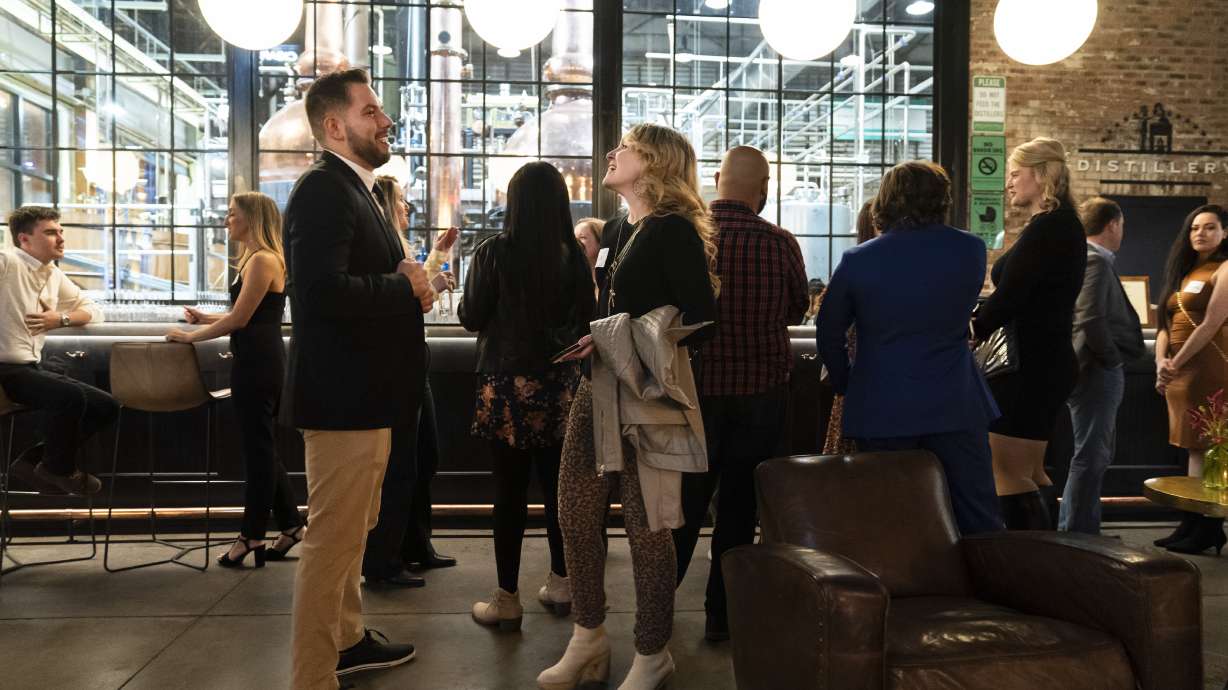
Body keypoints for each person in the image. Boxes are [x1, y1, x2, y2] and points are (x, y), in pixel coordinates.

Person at [540, 124, 718, 690]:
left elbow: (702, 318)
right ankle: (587, 636)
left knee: (648, 526)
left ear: (655, 162)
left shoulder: (673, 230)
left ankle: (652, 650)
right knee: (573, 511)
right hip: (597, 388)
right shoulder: (619, 227)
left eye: (626, 147)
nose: (612, 153)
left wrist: (616, 335)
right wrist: (600, 336)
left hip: (648, 396)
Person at [281, 68, 433, 689]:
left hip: (366, 396)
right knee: (333, 541)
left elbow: (360, 284)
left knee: (351, 534)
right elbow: (318, 294)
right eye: (370, 111)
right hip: (345, 398)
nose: (386, 119)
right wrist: (403, 287)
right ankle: (313, 676)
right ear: (335, 126)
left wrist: (409, 287)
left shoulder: (355, 188)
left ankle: (345, 641)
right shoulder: (324, 189)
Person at [818, 161, 1002, 536]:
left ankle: (901, 574)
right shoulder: (970, 250)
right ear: (942, 199)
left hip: (881, 402)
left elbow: (828, 330)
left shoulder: (859, 260)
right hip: (956, 399)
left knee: (889, 514)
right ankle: (983, 572)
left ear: (885, 200)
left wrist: (845, 382)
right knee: (976, 512)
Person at [670, 146, 807, 642]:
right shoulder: (780, 242)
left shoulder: (689, 238)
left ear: (716, 179)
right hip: (761, 394)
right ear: (764, 188)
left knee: (683, 507)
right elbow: (796, 309)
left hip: (696, 394)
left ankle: (657, 611)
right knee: (739, 510)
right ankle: (720, 617)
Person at [458, 161, 595, 631]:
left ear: (514, 202)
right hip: (559, 387)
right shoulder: (574, 258)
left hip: (505, 386)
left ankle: (506, 598)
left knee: (509, 493)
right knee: (560, 490)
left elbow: (471, 316)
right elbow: (588, 321)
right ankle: (561, 582)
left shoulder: (493, 252)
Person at [166, 192, 305, 567]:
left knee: (258, 452)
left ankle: (251, 536)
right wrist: (205, 318)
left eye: (232, 214)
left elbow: (241, 320)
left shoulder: (262, 259)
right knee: (263, 448)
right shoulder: (260, 259)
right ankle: (291, 526)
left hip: (258, 364)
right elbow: (251, 313)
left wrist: (191, 337)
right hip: (260, 359)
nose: (226, 220)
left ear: (251, 219)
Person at [971, 137, 1086, 531]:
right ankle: (1046, 557)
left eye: (1015, 174)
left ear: (1041, 175)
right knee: (1031, 472)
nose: (1009, 183)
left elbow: (1012, 295)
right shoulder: (1060, 224)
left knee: (1006, 472)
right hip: (1046, 361)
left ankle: (1025, 562)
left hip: (1028, 364)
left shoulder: (1051, 226)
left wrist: (972, 329)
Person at [360, 176, 458, 589]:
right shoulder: (383, 250)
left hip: (414, 362)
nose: (406, 207)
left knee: (424, 456)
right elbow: (406, 302)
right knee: (399, 464)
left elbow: (415, 295)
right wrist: (433, 282)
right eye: (400, 201)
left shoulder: (398, 248)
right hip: (395, 366)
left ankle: (417, 544)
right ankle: (384, 559)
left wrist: (437, 257)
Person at [0, 207, 116, 496]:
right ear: (24, 239)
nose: (61, 238)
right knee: (70, 397)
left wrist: (60, 319)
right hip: (4, 370)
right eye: (51, 233)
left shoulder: (52, 274)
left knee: (107, 406)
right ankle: (57, 469)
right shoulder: (7, 261)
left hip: (28, 367)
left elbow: (94, 311)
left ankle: (35, 463)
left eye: (60, 231)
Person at [1061, 197, 1144, 535]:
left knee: (1092, 455)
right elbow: (1090, 319)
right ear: (1113, 224)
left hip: (1090, 368)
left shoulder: (1084, 258)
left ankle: (1083, 530)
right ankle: (1078, 535)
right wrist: (1112, 359)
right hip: (1096, 370)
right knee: (1092, 456)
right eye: (1122, 226)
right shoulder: (1094, 260)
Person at [1154, 204, 1228, 555]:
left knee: (1214, 448)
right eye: (1195, 228)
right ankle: (1191, 521)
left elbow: (1212, 322)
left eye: (1210, 227)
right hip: (1180, 371)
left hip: (1209, 367)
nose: (1200, 233)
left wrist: (1176, 362)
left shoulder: (1224, 268)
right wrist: (1161, 362)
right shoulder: (1183, 271)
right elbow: (1165, 324)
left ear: (1225, 233)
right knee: (1193, 447)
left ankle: (1210, 525)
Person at [820, 201, 876, 454]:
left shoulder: (854, 264)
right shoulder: (864, 263)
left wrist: (842, 381)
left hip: (855, 369)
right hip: (863, 371)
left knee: (848, 450)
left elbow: (827, 322)